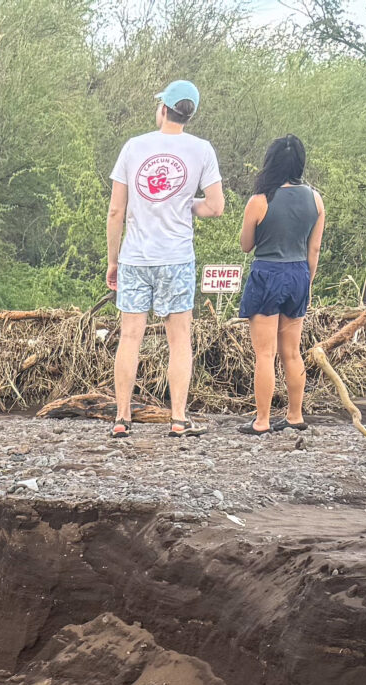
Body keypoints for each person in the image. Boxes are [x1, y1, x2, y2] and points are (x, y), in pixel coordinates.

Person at [106, 80, 225, 439]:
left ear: (163, 109)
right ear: (189, 114)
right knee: (180, 340)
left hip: (136, 258)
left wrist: (113, 260)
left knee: (130, 338)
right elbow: (216, 207)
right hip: (176, 258)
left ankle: (122, 418)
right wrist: (187, 205)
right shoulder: (202, 150)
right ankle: (177, 418)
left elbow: (115, 211)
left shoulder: (133, 147)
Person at [237, 134, 325, 435]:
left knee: (265, 353)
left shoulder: (259, 201)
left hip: (267, 274)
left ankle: (261, 420)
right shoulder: (315, 199)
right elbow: (314, 249)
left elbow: (246, 245)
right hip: (299, 273)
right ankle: (294, 415)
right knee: (292, 352)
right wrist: (307, 283)